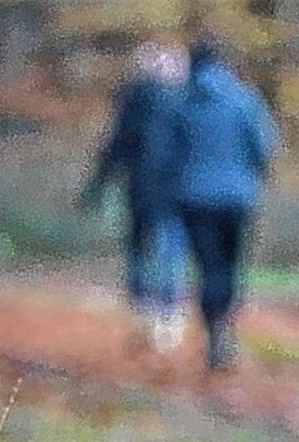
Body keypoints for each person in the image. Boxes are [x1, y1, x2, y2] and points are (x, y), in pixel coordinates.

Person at [172, 40, 280, 370]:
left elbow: (169, 153)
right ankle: (224, 327)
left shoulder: (181, 103)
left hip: (193, 198)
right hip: (237, 199)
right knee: (231, 266)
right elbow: (263, 148)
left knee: (207, 267)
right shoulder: (246, 100)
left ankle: (213, 331)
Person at [83, 42, 190, 352]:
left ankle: (141, 312)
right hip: (176, 189)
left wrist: (98, 183)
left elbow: (116, 145)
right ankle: (168, 317)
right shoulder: (186, 100)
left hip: (139, 186)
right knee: (171, 248)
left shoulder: (133, 99)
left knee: (138, 247)